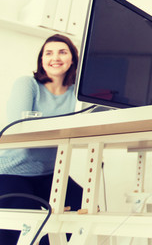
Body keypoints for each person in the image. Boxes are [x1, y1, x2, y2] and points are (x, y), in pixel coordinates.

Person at [0, 34, 83, 245]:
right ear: (42, 60)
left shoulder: (77, 94)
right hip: (12, 171)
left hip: (49, 174)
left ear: (72, 59)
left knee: (84, 205)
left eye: (63, 52)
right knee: (25, 224)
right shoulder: (28, 84)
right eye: (49, 53)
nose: (55, 57)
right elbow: (19, 128)